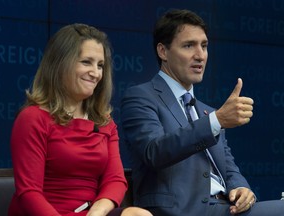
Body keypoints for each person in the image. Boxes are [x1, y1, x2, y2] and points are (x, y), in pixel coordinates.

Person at [120, 9, 284, 216]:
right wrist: (216, 121)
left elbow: (228, 168)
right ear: (163, 51)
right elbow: (154, 151)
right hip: (179, 211)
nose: (200, 55)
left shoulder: (207, 112)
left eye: (204, 46)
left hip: (226, 209)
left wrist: (242, 188)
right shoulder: (140, 97)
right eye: (189, 45)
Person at [8, 23, 153, 216]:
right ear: (60, 63)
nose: (96, 73)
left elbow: (115, 180)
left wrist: (96, 212)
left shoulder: (104, 122)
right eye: (86, 62)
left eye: (100, 65)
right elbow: (29, 193)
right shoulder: (33, 118)